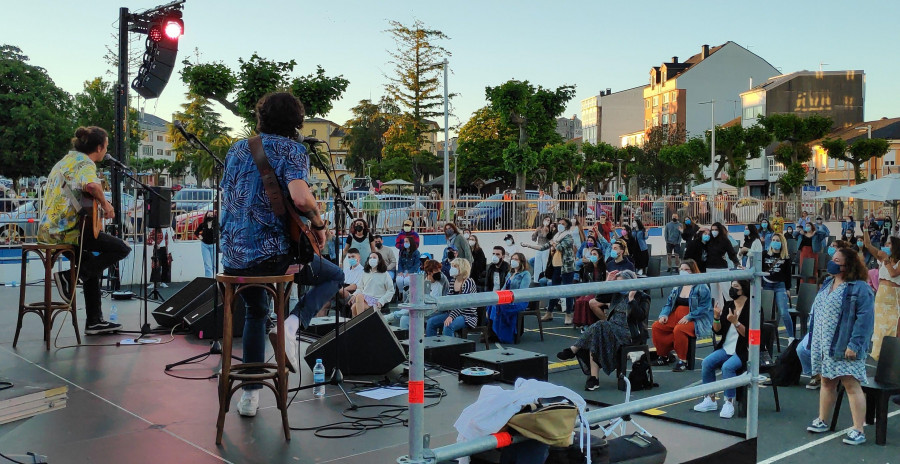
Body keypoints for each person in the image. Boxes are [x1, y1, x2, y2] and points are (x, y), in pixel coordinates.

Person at [219, 93, 343, 417]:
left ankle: (249, 396)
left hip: (232, 256)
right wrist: (318, 223)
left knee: (257, 311)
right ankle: (291, 325)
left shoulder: (236, 148)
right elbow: (301, 198)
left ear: (261, 118)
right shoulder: (292, 149)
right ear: (296, 123)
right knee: (335, 275)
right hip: (269, 256)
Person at [43, 126, 131, 335]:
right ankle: (72, 278)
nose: (105, 150)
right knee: (122, 248)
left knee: (92, 262)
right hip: (69, 230)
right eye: (106, 146)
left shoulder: (65, 161)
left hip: (50, 229)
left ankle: (94, 321)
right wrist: (107, 206)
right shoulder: (85, 163)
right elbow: (92, 187)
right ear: (99, 147)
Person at [805, 248, 874, 446]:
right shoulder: (828, 283)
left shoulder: (859, 288)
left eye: (837, 260)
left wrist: (855, 344)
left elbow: (865, 319)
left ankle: (858, 430)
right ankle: (823, 420)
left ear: (848, 265)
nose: (831, 262)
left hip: (844, 346)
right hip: (825, 345)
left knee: (851, 385)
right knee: (826, 382)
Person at [556, 270, 650, 391]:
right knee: (597, 334)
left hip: (630, 333)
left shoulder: (642, 297)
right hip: (612, 328)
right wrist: (608, 282)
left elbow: (641, 316)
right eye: (617, 284)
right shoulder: (617, 294)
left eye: (621, 283)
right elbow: (599, 298)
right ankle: (594, 378)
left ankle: (574, 349)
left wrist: (631, 300)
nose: (618, 286)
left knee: (599, 325)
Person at [694, 280, 752, 419]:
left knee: (728, 367)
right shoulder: (729, 305)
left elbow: (750, 335)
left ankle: (729, 402)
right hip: (727, 347)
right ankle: (710, 399)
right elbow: (718, 331)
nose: (732, 289)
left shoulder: (752, 307)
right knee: (707, 362)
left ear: (743, 289)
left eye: (736, 287)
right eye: (731, 286)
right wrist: (716, 317)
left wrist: (736, 322)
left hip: (744, 350)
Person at [651, 259, 713, 372]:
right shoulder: (678, 286)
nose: (683, 272)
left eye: (686, 270)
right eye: (682, 269)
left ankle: (682, 361)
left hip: (695, 318)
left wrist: (689, 316)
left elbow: (705, 307)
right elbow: (669, 303)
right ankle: (664, 356)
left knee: (679, 330)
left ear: (693, 271)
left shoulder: (701, 286)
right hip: (677, 316)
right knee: (657, 326)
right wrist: (664, 315)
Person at [861, 231, 900, 360]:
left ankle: (893, 353)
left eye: (889, 244)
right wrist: (866, 230)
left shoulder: (894, 261)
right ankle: (880, 354)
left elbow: (893, 274)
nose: (886, 246)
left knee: (894, 325)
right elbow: (867, 245)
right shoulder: (882, 258)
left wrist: (887, 260)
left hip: (894, 297)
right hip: (881, 297)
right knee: (880, 326)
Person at [386, 259, 447, 329]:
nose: (439, 272)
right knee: (404, 319)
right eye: (436, 270)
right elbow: (412, 297)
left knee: (409, 311)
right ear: (429, 272)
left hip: (435, 311)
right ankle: (406, 338)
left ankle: (392, 316)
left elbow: (444, 297)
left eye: (440, 270)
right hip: (421, 308)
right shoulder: (422, 279)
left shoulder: (442, 281)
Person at [487, 253, 533, 343]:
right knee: (491, 304)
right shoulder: (510, 273)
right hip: (508, 298)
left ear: (521, 262)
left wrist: (509, 298)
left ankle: (503, 334)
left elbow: (522, 291)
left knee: (500, 307)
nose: (513, 261)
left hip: (519, 301)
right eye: (512, 259)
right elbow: (503, 288)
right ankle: (493, 332)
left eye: (516, 259)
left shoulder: (525, 274)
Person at [426, 258, 477, 337]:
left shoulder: (468, 282)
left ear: (462, 268)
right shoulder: (453, 281)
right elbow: (448, 299)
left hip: (466, 316)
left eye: (455, 266)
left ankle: (449, 348)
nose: (452, 268)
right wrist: (438, 306)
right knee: (431, 322)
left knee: (448, 325)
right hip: (452, 313)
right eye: (452, 266)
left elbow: (462, 304)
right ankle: (432, 346)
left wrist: (451, 316)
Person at [540, 218, 577, 325]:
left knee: (567, 290)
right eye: (559, 223)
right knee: (554, 289)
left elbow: (561, 247)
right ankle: (549, 312)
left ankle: (568, 314)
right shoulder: (556, 236)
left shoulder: (568, 236)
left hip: (566, 268)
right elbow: (546, 245)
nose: (560, 225)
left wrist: (554, 243)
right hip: (556, 266)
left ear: (567, 226)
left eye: (562, 224)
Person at [763, 233, 794, 340]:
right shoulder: (765, 254)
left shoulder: (786, 258)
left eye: (777, 240)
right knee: (765, 313)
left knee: (784, 312)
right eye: (773, 240)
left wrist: (788, 288)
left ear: (782, 243)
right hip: (767, 284)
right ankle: (766, 337)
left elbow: (788, 274)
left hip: (780, 285)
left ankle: (791, 337)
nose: (775, 242)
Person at [705, 222, 741, 309]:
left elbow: (732, 254)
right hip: (710, 268)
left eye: (716, 230)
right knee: (714, 295)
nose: (714, 231)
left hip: (722, 269)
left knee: (727, 292)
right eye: (712, 230)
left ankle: (733, 311)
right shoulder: (708, 240)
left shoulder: (725, 240)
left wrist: (738, 264)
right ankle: (718, 315)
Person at [349, 252, 395, 317]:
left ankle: (360, 322)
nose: (372, 259)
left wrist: (381, 301)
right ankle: (361, 322)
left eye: (374, 258)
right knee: (358, 298)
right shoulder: (365, 273)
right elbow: (360, 288)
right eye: (370, 258)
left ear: (379, 261)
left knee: (354, 307)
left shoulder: (385, 274)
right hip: (365, 298)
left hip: (376, 301)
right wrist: (354, 295)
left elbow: (391, 291)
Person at [572, 247, 606, 327]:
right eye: (591, 254)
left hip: (599, 291)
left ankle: (590, 323)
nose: (592, 256)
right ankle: (583, 323)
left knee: (587, 300)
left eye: (594, 254)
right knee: (580, 300)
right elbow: (585, 282)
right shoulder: (587, 268)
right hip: (589, 290)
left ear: (600, 256)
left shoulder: (604, 268)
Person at [395, 236, 422, 303]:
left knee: (407, 280)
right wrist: (400, 271)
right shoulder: (402, 252)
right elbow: (400, 263)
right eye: (404, 242)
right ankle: (401, 293)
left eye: (407, 241)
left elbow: (417, 264)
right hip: (404, 270)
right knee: (399, 280)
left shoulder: (416, 252)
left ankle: (408, 295)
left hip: (413, 271)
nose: (405, 243)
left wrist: (410, 272)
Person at [194, 210, 219, 278]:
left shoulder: (216, 224)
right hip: (205, 245)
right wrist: (199, 236)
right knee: (207, 264)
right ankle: (208, 279)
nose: (210, 217)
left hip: (213, 245)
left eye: (211, 215)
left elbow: (219, 232)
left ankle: (215, 278)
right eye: (208, 215)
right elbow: (196, 232)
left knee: (214, 264)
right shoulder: (203, 224)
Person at [529, 217, 553, 283]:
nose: (547, 221)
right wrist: (536, 232)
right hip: (538, 247)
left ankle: (546, 278)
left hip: (546, 248)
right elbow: (533, 239)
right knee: (537, 264)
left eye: (548, 220)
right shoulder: (539, 228)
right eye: (546, 219)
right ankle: (537, 280)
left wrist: (546, 230)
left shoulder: (550, 229)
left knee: (545, 263)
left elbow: (548, 237)